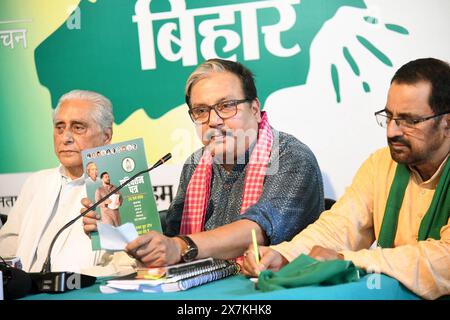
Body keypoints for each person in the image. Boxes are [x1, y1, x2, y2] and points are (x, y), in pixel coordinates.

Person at [82, 59, 324, 266]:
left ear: (255, 108)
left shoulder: (289, 157)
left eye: (226, 106)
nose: (214, 120)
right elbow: (173, 229)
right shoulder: (195, 163)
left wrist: (181, 247)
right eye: (200, 111)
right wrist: (122, 223)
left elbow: (258, 229)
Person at [242, 58, 450, 300]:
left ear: (447, 122)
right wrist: (285, 255)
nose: (392, 131)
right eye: (389, 116)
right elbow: (340, 227)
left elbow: (444, 259)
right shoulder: (381, 164)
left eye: (410, 121)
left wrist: (347, 259)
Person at [0, 90, 117, 274]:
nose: (65, 138)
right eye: (59, 127)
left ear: (106, 136)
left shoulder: (121, 186)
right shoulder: (36, 182)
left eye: (78, 127)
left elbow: (130, 262)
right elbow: (8, 246)